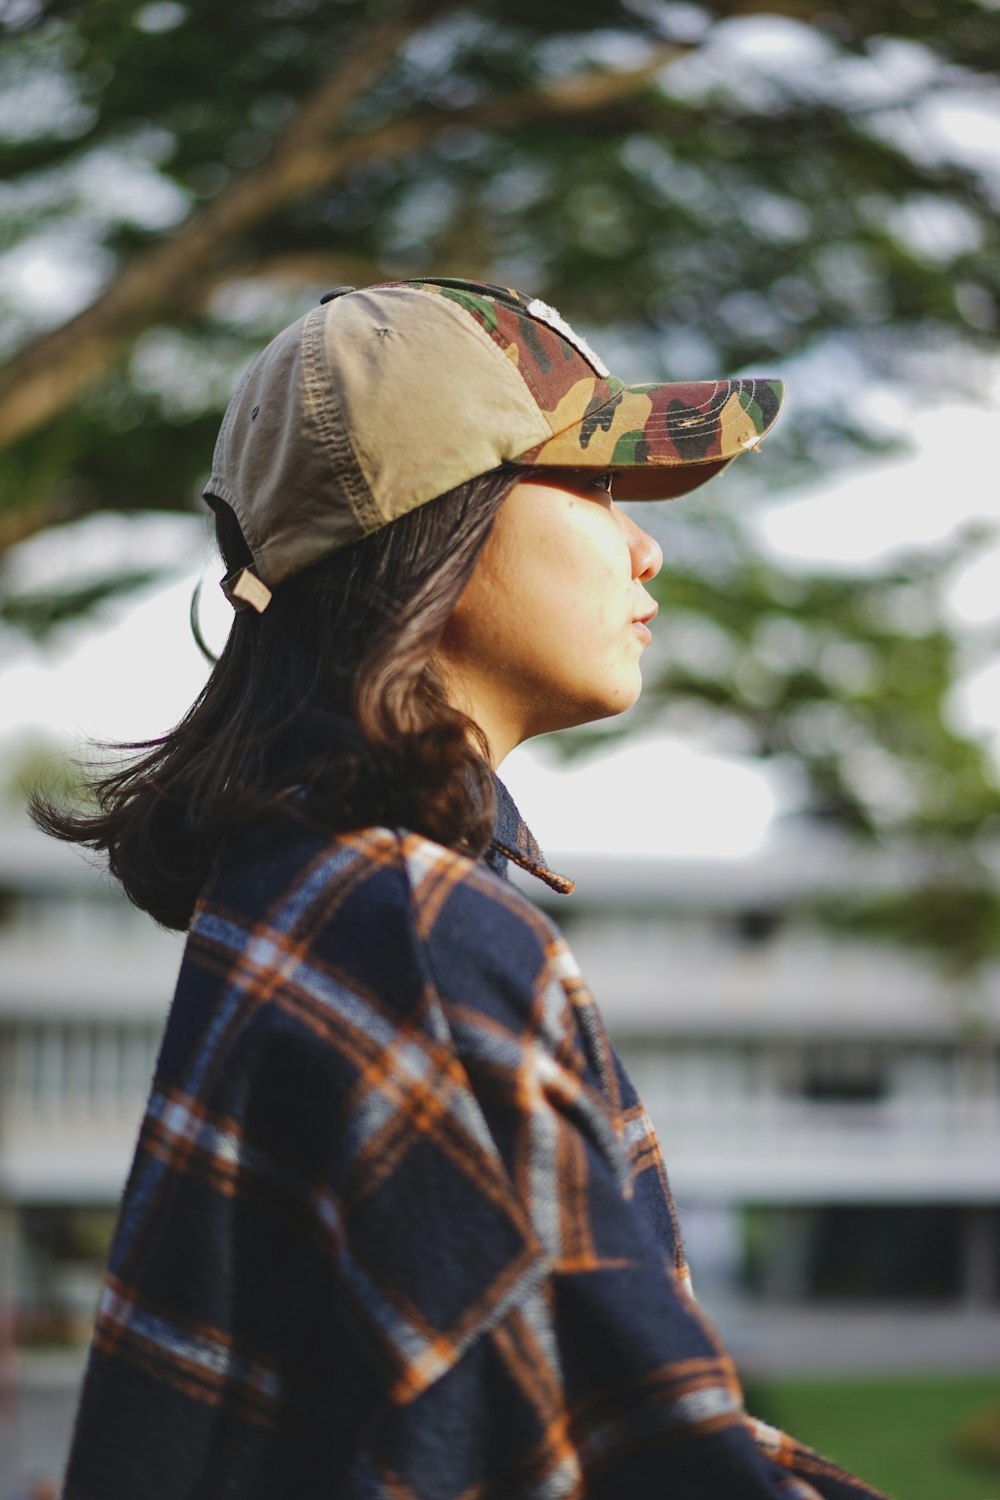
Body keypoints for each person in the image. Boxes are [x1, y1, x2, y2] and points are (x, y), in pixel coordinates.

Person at [36, 278, 886, 1499]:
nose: (646, 546)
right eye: (594, 486)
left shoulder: (313, 885)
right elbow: (637, 1454)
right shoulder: (411, 929)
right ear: (441, 514)